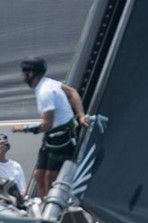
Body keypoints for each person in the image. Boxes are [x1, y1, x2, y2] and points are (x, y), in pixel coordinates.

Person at [12, 57, 90, 202]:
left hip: (62, 138)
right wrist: (80, 115)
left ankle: (52, 208)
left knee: (50, 178)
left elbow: (47, 124)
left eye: (23, 73)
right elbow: (72, 92)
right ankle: (43, 205)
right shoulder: (50, 83)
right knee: (39, 175)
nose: (21, 76)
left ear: (31, 74)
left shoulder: (44, 92)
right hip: (51, 137)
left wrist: (23, 129)